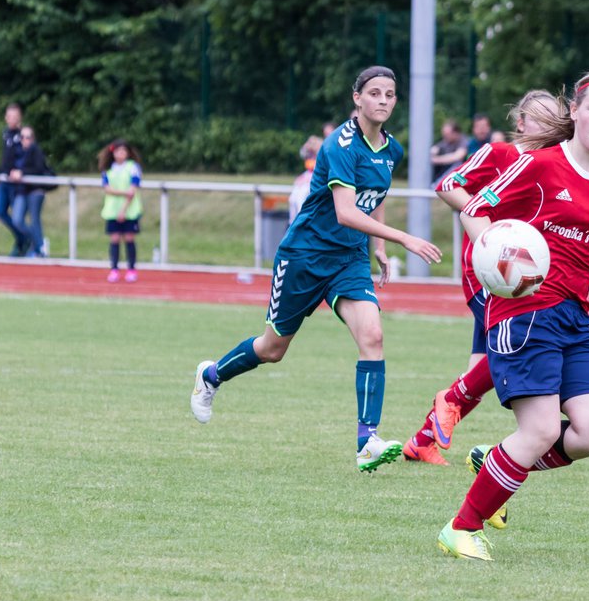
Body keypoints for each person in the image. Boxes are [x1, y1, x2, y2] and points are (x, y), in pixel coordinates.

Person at [436, 70, 589, 562]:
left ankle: (498, 460)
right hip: (524, 313)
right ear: (576, 112)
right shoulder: (539, 166)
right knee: (538, 431)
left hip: (574, 321)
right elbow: (474, 207)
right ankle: (461, 527)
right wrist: (495, 251)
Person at [188, 66, 443, 476]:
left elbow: (374, 195)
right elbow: (345, 212)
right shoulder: (339, 145)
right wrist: (403, 239)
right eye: (374, 93)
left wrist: (377, 247)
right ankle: (212, 374)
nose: (383, 100)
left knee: (372, 335)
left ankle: (367, 442)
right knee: (273, 349)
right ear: (356, 98)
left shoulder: (391, 148)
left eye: (390, 94)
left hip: (349, 260)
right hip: (305, 256)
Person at [402, 89, 567, 469]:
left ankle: (423, 440)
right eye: (539, 116)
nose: (548, 123)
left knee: (487, 360)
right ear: (520, 122)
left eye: (554, 116)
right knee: (510, 348)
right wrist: (493, 236)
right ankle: (451, 401)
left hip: (524, 279)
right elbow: (447, 185)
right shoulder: (499, 153)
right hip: (490, 274)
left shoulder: (554, 163)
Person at [99, 140, 144, 282]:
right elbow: (107, 188)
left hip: (129, 210)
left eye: (124, 151)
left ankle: (131, 269)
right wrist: (123, 193)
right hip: (112, 210)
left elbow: (132, 190)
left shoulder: (133, 167)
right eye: (118, 151)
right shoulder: (108, 169)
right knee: (115, 239)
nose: (121, 154)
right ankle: (114, 269)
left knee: (129, 238)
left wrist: (123, 210)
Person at [10, 126, 51, 258]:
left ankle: (40, 249)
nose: (25, 140)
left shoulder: (36, 151)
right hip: (22, 191)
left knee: (34, 220)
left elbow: (38, 169)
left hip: (35, 190)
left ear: (33, 139)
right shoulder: (17, 152)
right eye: (22, 137)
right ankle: (37, 242)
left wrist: (22, 173)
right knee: (17, 220)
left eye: (28, 137)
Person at [0, 103, 27, 255]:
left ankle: (26, 241)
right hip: (5, 180)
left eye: (15, 116)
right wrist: (0, 171)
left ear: (19, 117)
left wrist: (19, 170)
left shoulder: (23, 135)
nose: (12, 119)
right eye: (10, 116)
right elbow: (6, 157)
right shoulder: (6, 133)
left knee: (17, 217)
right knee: (0, 212)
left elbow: (25, 156)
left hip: (15, 182)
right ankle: (21, 239)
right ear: (6, 118)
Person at [289, 135, 323, 222]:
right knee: (293, 196)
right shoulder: (309, 155)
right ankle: (292, 221)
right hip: (308, 177)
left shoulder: (321, 154)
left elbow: (319, 172)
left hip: (315, 181)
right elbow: (303, 155)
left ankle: (300, 220)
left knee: (303, 195)